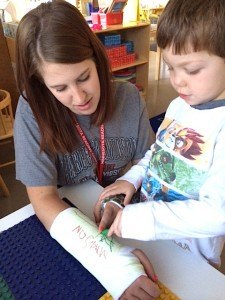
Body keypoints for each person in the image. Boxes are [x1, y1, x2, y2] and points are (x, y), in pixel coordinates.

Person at [14, 0, 159, 299]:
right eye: (60, 88)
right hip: (70, 229)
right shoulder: (32, 109)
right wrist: (114, 262)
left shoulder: (129, 97)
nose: (79, 97)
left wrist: (117, 199)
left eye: (84, 78)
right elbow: (42, 198)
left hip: (127, 220)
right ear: (42, 85)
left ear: (97, 58)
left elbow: (146, 164)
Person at [94, 0, 225, 269]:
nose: (177, 80)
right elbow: (158, 153)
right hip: (151, 235)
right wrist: (131, 179)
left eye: (191, 70)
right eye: (170, 66)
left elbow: (218, 213)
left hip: (191, 257)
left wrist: (146, 219)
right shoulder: (179, 105)